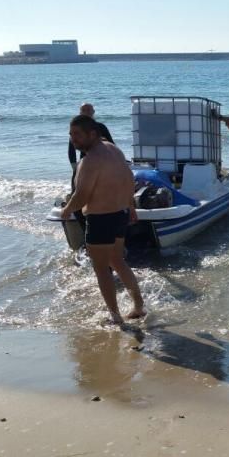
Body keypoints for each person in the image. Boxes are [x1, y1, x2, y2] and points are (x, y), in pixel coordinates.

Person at [60, 115, 145, 325]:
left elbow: (82, 196)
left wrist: (67, 210)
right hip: (120, 214)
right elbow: (128, 178)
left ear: (93, 134)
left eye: (77, 135)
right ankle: (138, 306)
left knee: (101, 269)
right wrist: (131, 206)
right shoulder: (113, 150)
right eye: (71, 135)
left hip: (100, 219)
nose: (73, 140)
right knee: (117, 261)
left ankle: (115, 317)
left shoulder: (89, 161)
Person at [67, 103, 114, 231]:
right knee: (75, 194)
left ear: (93, 111)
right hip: (83, 163)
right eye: (84, 110)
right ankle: (84, 229)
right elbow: (71, 150)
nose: (87, 112)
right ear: (80, 112)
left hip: (102, 165)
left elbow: (112, 145)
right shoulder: (76, 129)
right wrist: (74, 167)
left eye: (89, 109)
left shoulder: (100, 127)